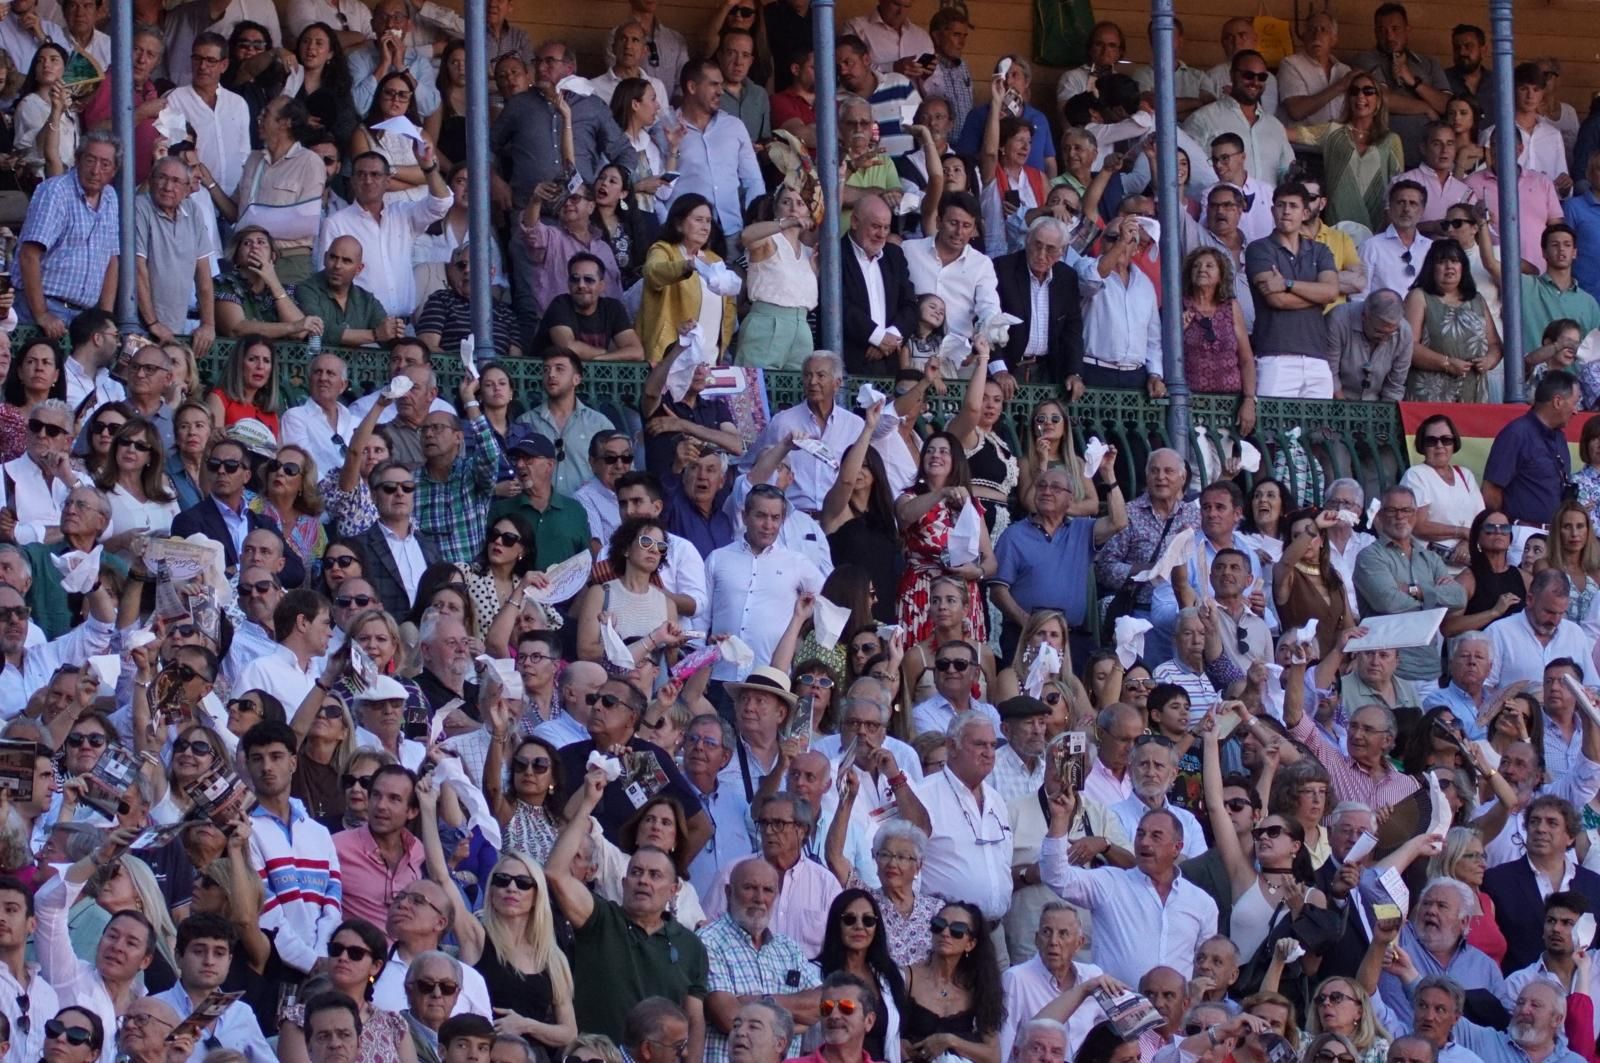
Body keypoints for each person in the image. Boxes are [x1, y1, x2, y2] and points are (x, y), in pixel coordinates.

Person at [1353, 485, 1468, 693]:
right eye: (1392, 510)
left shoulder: (1430, 558)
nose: (1400, 516)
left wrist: (1414, 590)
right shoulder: (1370, 557)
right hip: (1389, 672)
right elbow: (1388, 602)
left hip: (1429, 669)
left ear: (1415, 515)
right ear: (1380, 516)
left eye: (1406, 510)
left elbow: (1459, 597)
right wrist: (1434, 599)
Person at [315, 146, 451, 319]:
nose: (368, 180)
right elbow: (326, 278)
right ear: (352, 180)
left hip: (403, 326)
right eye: (361, 174)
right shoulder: (336, 223)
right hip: (363, 327)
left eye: (375, 175)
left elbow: (442, 203)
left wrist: (428, 168)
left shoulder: (403, 214)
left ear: (388, 181)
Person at [13, 134, 119, 336]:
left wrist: (105, 319)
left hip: (85, 317)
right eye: (90, 160)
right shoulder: (55, 192)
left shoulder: (110, 198)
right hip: (43, 308)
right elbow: (28, 255)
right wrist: (42, 313)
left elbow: (111, 259)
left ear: (114, 170)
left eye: (105, 164)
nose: (96, 170)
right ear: (78, 160)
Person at [1247, 183, 1340, 398]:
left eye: (1293, 206)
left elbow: (1331, 293)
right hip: (1274, 357)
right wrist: (1318, 296)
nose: (1286, 211)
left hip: (1317, 358)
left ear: (1306, 212)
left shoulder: (1320, 250)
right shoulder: (1259, 248)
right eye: (1280, 205)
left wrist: (1288, 284)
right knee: (1272, 429)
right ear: (1272, 210)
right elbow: (1277, 300)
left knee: (1316, 429)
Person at [639, 193, 738, 364]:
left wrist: (720, 345)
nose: (705, 227)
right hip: (668, 361)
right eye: (699, 219)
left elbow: (729, 308)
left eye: (708, 221)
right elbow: (653, 272)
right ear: (678, 224)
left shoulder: (715, 260)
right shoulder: (663, 250)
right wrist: (685, 266)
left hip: (709, 362)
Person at [993, 217, 1086, 390]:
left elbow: (1072, 329)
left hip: (1048, 371)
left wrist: (1075, 372)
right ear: (1027, 241)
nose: (1042, 255)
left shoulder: (1067, 277)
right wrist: (999, 369)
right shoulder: (1002, 268)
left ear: (1061, 251)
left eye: (1050, 249)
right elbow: (989, 320)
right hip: (1008, 369)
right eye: (1037, 245)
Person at [134, 157, 215, 351]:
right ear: (152, 179)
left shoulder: (193, 211)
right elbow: (137, 270)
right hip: (140, 326)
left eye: (176, 181)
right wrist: (153, 323)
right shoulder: (139, 206)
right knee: (134, 376)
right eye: (162, 177)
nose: (168, 186)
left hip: (174, 327)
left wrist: (208, 325)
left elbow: (204, 275)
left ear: (188, 189)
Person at [1482, 370, 1578, 528]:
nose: (1576, 411)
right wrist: (1510, 529)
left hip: (1554, 536)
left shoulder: (1559, 437)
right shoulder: (1516, 434)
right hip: (1522, 538)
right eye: (1574, 403)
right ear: (1558, 402)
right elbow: (1491, 491)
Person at [1184, 50, 1294, 185]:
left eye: (1262, 77)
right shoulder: (1203, 119)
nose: (1255, 82)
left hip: (1267, 205)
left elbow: (1287, 172)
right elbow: (1188, 169)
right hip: (1220, 204)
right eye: (1248, 75)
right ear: (1232, 75)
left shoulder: (1275, 126)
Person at [840, 193, 917, 374]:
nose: (881, 234)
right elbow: (838, 305)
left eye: (886, 228)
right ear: (855, 222)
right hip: (848, 363)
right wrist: (876, 337)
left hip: (890, 363)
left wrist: (889, 339)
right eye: (875, 226)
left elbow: (910, 305)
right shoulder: (836, 254)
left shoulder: (894, 255)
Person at [1328, 290, 1413, 401]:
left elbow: (1395, 386)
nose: (1385, 339)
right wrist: (1344, 412)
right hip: (1335, 400)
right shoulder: (1338, 320)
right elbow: (1330, 373)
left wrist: (1384, 416)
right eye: (1379, 331)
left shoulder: (1405, 333)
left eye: (1391, 333)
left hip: (1377, 405)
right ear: (1364, 316)